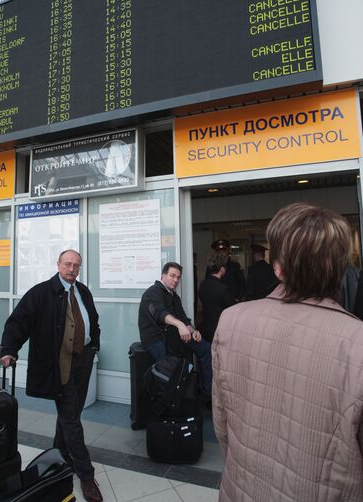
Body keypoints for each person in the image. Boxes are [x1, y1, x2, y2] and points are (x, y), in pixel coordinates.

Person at [212, 203, 363, 502]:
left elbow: (222, 423)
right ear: (340, 267)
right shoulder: (356, 342)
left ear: (278, 268)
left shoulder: (231, 320)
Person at [0, 250, 102, 502]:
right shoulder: (41, 292)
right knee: (71, 419)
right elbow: (18, 321)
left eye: (76, 265)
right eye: (67, 264)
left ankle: (61, 456)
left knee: (70, 416)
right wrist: (9, 350)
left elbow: (93, 320)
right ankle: (87, 476)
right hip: (60, 366)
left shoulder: (83, 291)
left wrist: (94, 344)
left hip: (83, 361)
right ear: (58, 264)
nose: (72, 269)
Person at [138, 261, 212, 397]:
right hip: (155, 338)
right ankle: (171, 402)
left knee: (205, 348)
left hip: (173, 334)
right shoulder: (152, 293)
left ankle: (207, 392)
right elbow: (160, 314)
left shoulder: (174, 296)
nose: (176, 280)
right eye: (172, 276)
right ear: (163, 275)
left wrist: (193, 330)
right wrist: (180, 325)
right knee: (170, 367)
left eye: (178, 277)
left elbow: (183, 319)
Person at [198, 252, 236, 343]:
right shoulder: (223, 288)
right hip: (220, 329)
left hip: (205, 327)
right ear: (222, 269)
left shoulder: (203, 284)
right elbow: (232, 309)